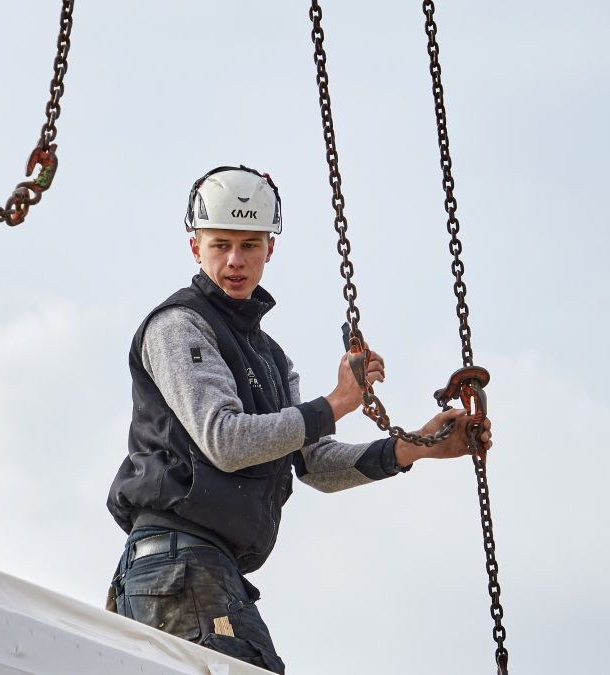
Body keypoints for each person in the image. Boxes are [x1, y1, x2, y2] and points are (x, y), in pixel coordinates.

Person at [105, 165, 493, 673]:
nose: (235, 260)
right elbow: (225, 439)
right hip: (178, 563)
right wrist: (335, 403)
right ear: (195, 246)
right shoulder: (180, 326)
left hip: (201, 570)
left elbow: (315, 466)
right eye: (220, 244)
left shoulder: (270, 358)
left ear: (271, 247)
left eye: (249, 244)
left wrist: (418, 445)